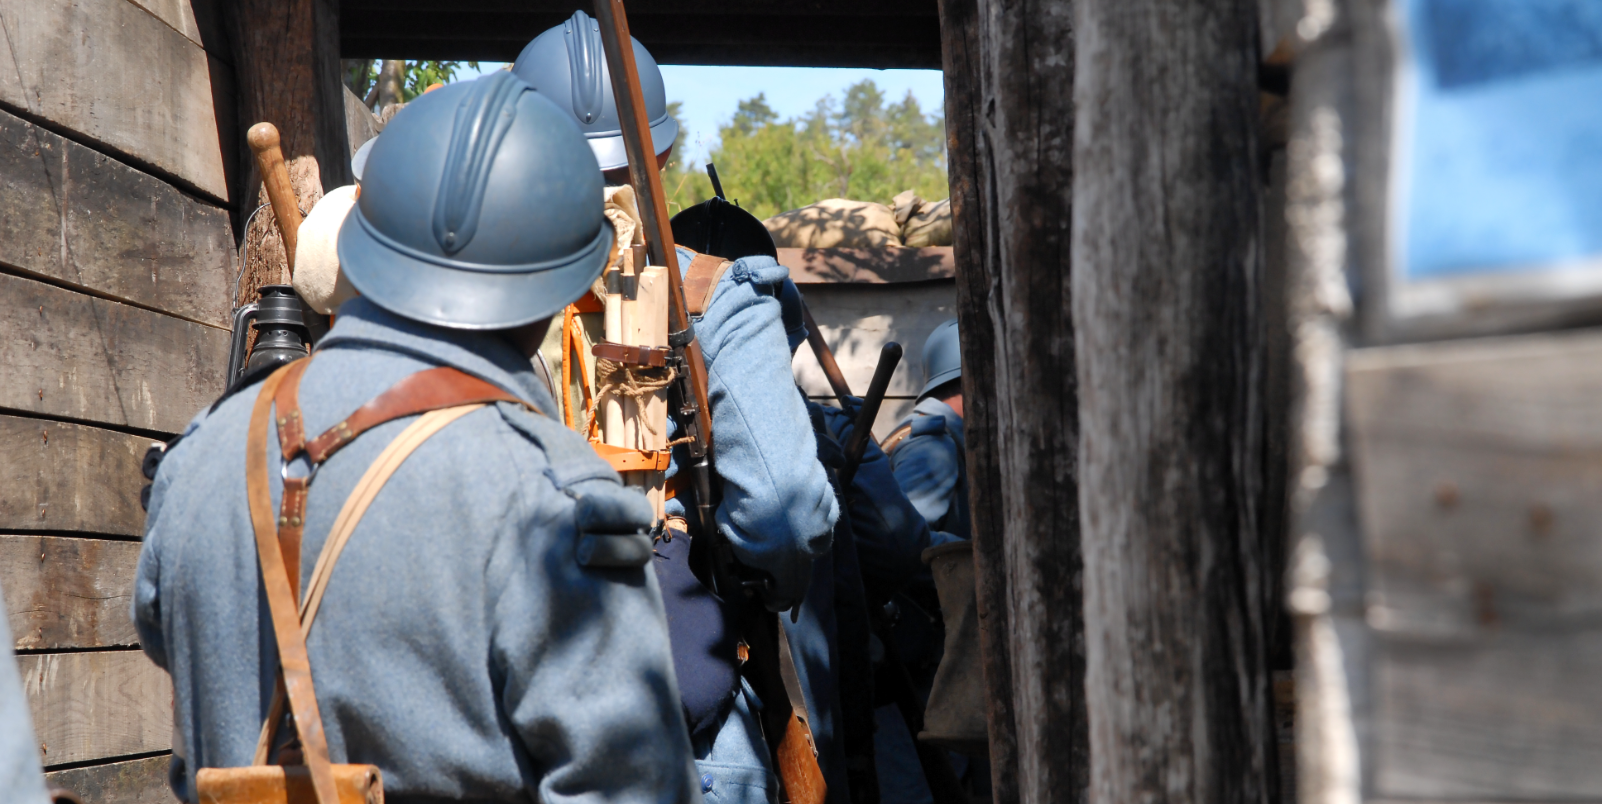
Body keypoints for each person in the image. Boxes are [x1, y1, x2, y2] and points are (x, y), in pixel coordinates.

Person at [134, 72, 699, 803]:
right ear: (558, 279)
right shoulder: (550, 495)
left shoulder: (203, 451)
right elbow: (636, 788)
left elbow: (161, 629)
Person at [513, 14, 837, 803]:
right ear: (660, 153)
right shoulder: (713, 294)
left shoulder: (462, 295)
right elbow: (787, 510)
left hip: (506, 716)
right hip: (685, 726)